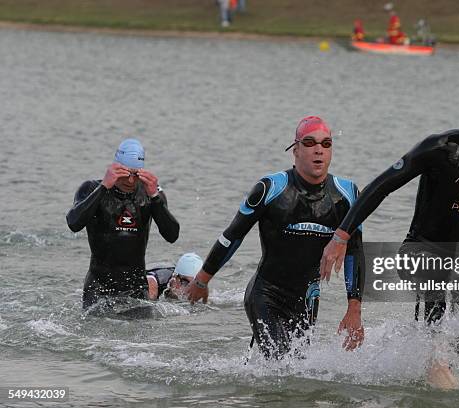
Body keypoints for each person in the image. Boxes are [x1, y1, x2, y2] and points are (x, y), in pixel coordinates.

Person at [320, 79, 459, 386]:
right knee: (436, 319)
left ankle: (441, 377)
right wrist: (341, 236)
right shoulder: (441, 149)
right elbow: (382, 186)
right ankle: (434, 363)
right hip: (418, 251)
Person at [186, 116, 365, 359]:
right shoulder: (271, 188)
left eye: (326, 144)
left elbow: (355, 252)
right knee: (281, 363)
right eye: (310, 143)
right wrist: (202, 280)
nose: (318, 151)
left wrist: (354, 308)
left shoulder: (347, 195)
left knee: (298, 372)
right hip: (266, 294)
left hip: (308, 299)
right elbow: (232, 236)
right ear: (296, 150)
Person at [66, 138, 180, 310]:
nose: (131, 180)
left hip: (136, 290)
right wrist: (104, 187)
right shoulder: (91, 188)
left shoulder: (150, 194)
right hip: (98, 288)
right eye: (125, 173)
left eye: (135, 174)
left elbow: (172, 235)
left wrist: (155, 198)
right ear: (115, 168)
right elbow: (73, 223)